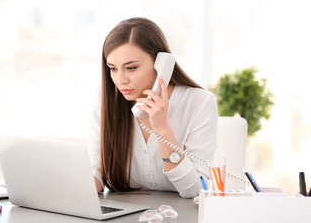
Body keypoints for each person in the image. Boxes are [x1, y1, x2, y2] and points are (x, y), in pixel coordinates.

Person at [86, 17, 218, 198]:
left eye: (131, 68)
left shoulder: (200, 103)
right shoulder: (105, 99)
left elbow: (194, 189)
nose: (120, 80)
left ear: (161, 63)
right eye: (113, 68)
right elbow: (96, 171)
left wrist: (162, 130)